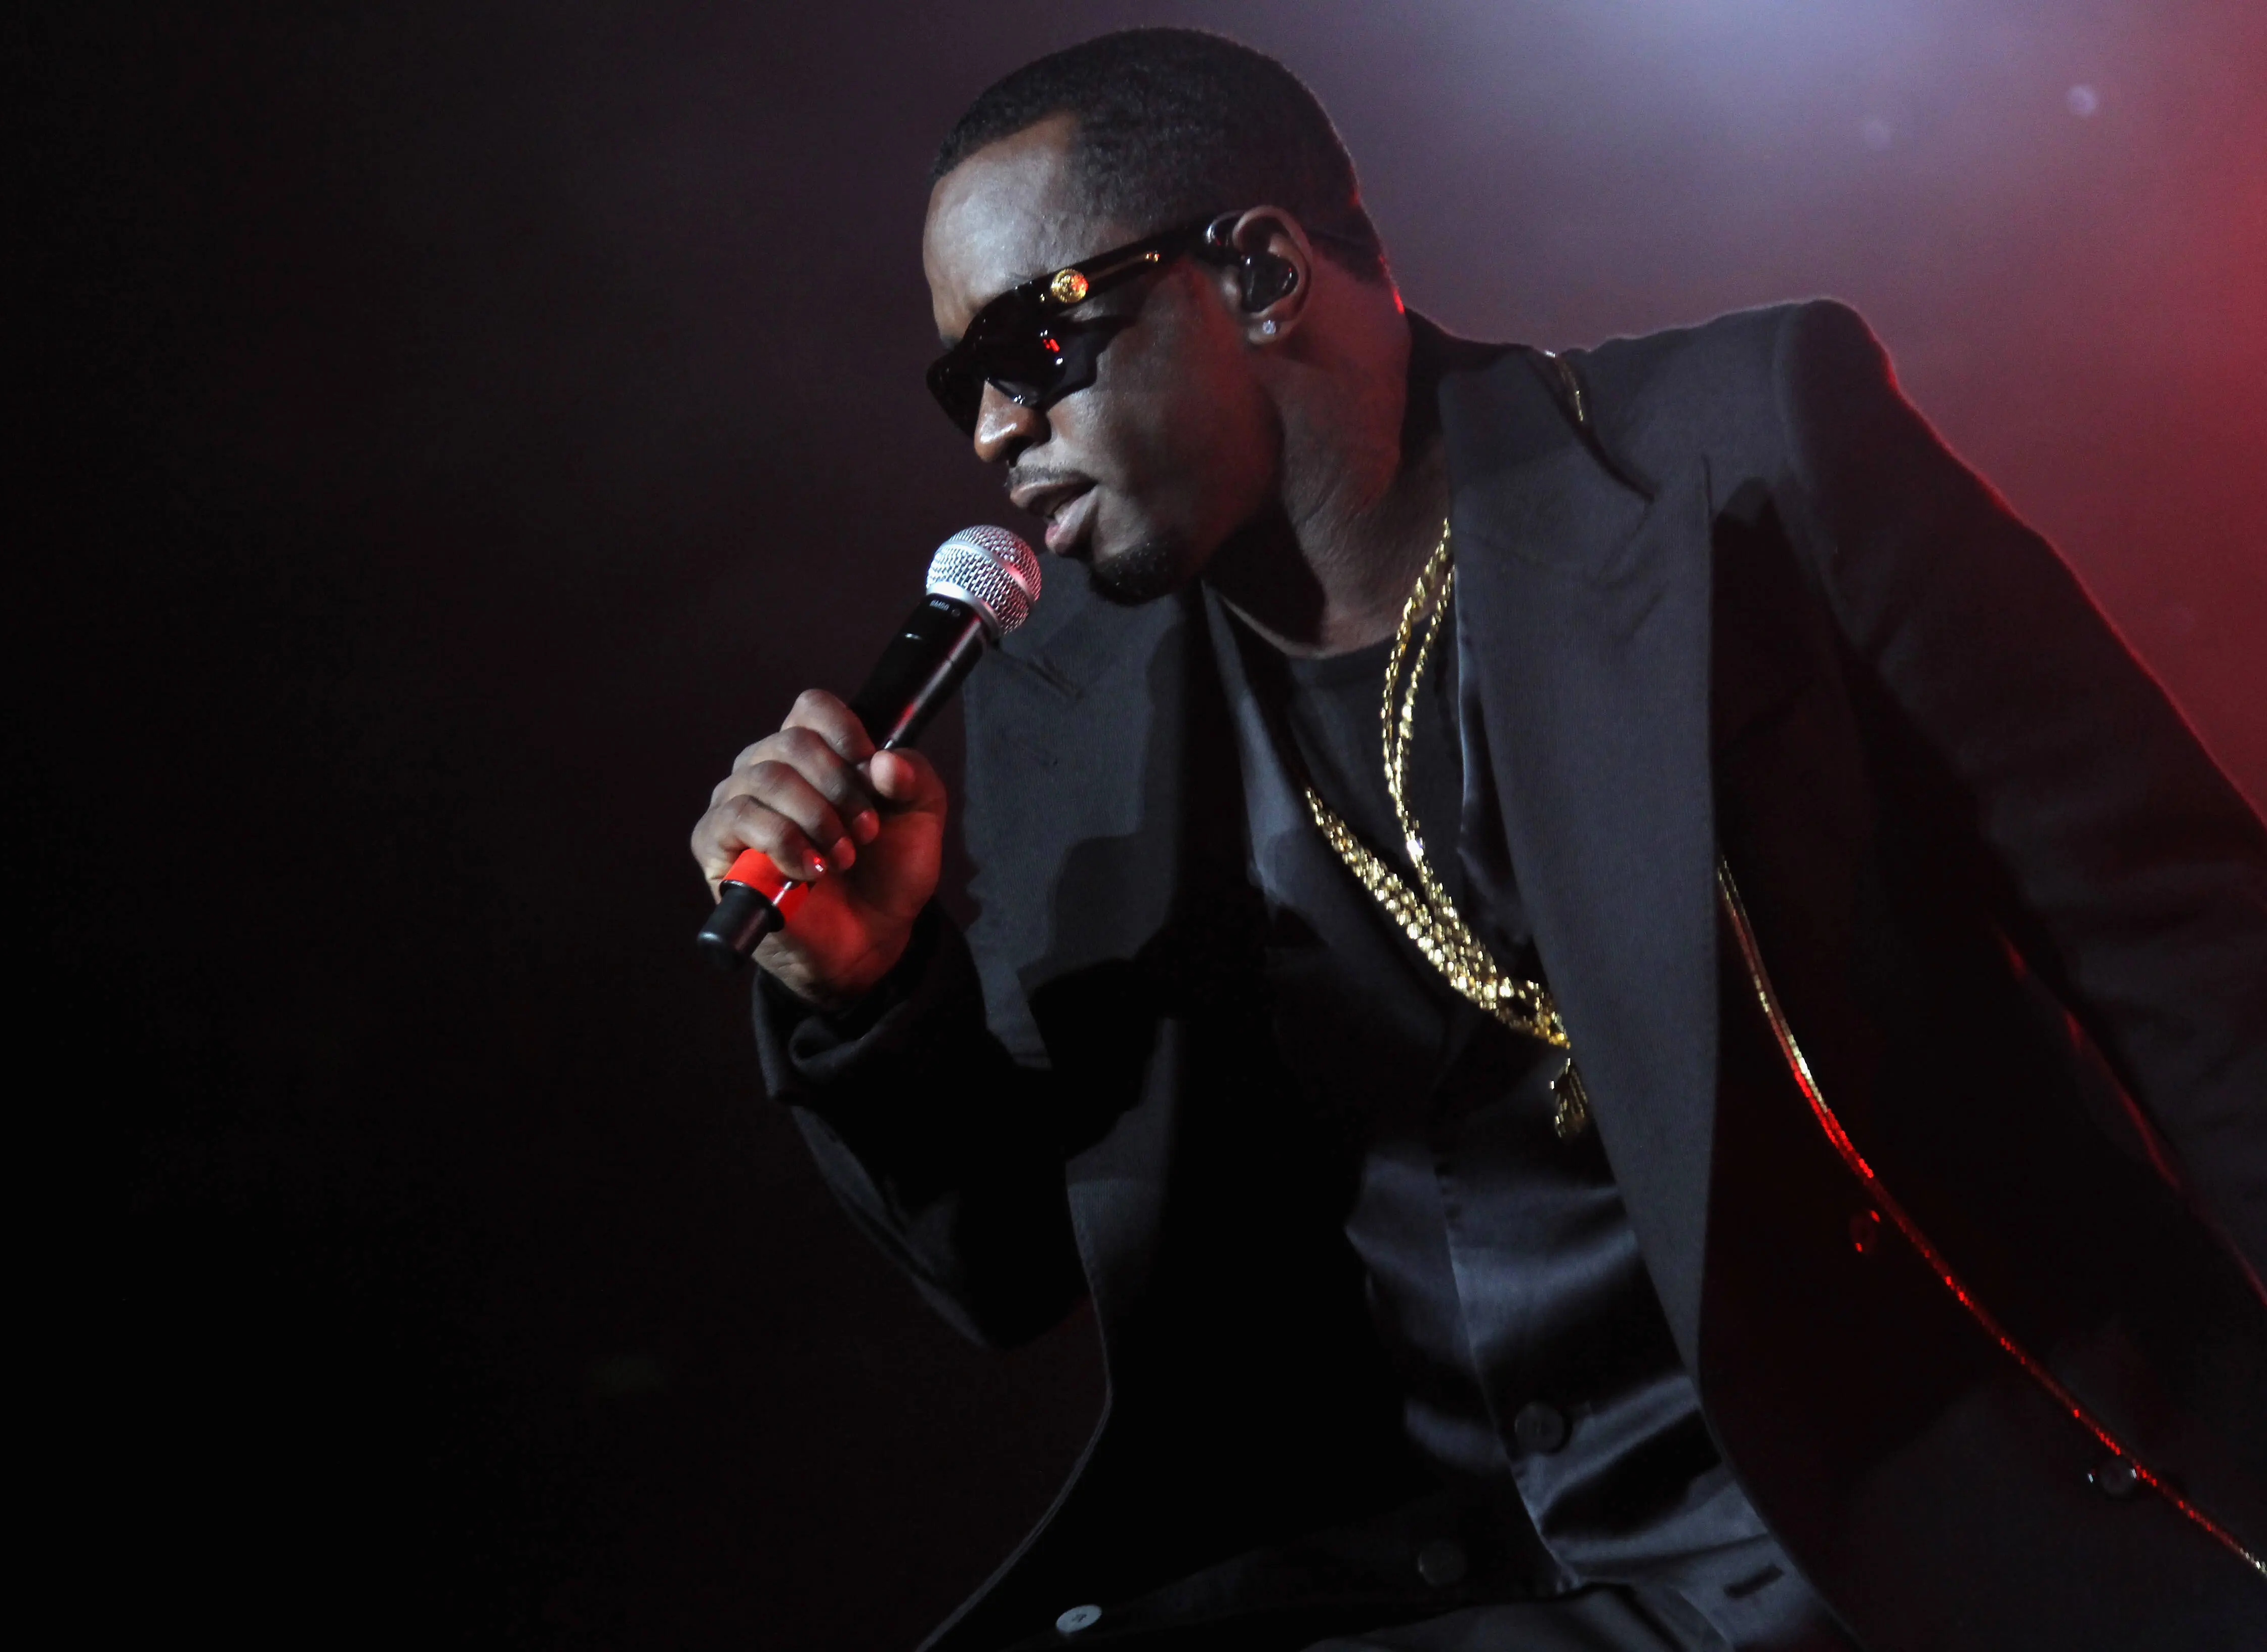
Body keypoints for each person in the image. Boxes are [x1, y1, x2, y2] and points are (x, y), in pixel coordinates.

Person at [688, 28, 2266, 1652]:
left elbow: (2188, 960)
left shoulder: (1746, 453)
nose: (994, 432)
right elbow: (1015, 1271)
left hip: (1897, 1524)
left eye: (1034, 342)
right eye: (964, 384)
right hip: (1446, 1580)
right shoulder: (1063, 699)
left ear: (1259, 272)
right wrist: (873, 994)